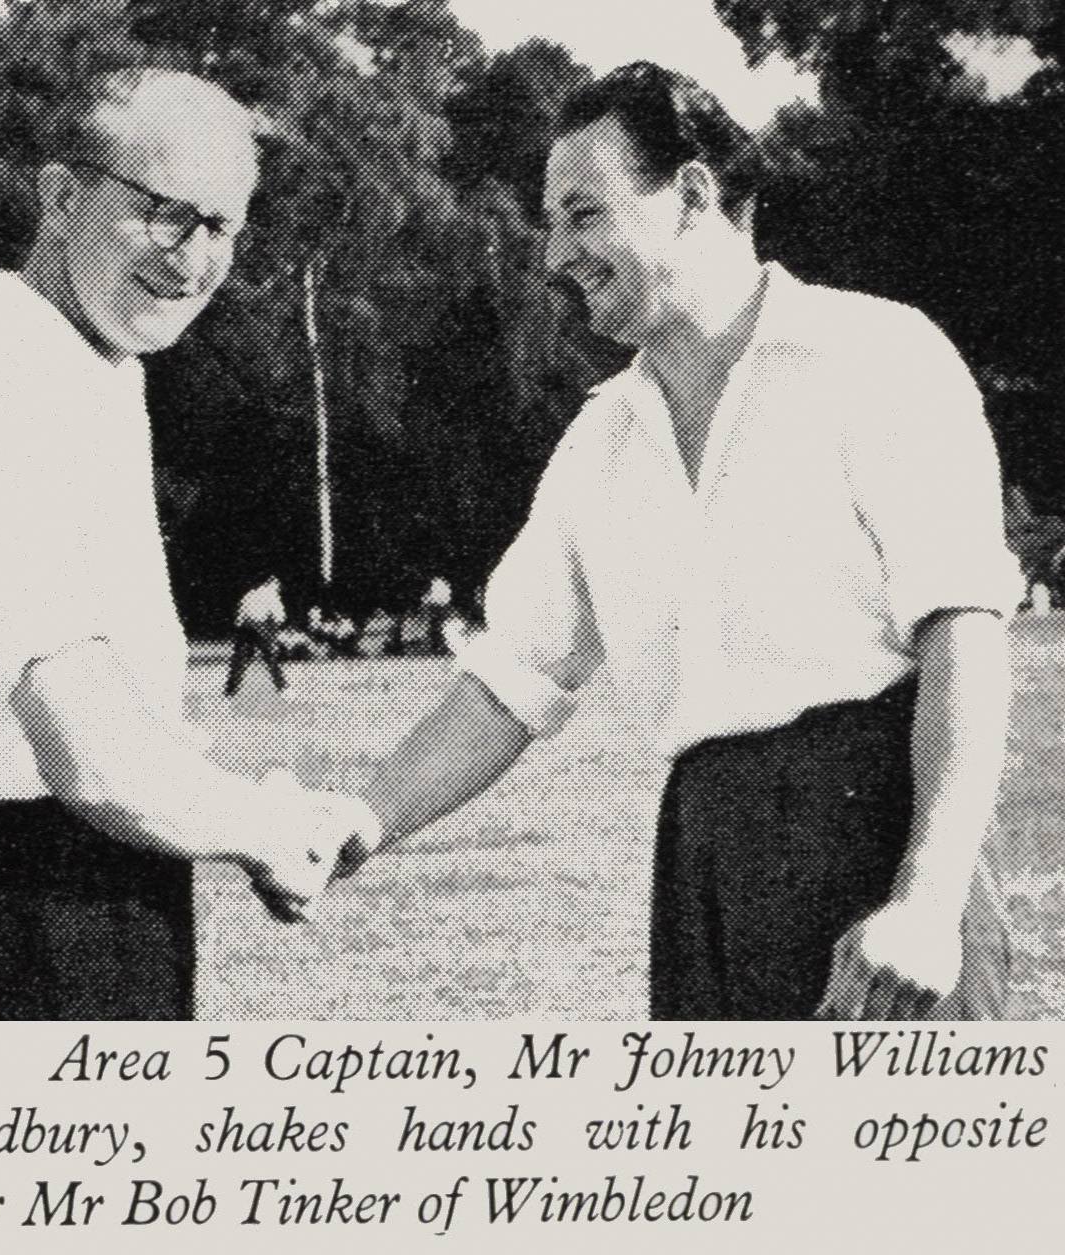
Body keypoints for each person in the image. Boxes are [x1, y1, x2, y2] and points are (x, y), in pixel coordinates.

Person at [341, 63, 1020, 1021]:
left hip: (883, 851)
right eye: (552, 223)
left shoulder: (878, 356)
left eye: (583, 215)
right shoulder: (598, 441)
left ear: (693, 195)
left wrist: (928, 900)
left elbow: (965, 635)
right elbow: (512, 679)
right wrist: (359, 821)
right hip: (702, 863)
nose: (554, 255)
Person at [0, 68, 376, 1021]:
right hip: (9, 925)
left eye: (221, 227)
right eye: (164, 213)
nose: (192, 259)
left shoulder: (85, 373)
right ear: (60, 197)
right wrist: (266, 826)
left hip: (79, 905)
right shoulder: (2, 397)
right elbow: (86, 752)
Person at [225, 575, 288, 695]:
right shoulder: (272, 595)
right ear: (274, 585)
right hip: (260, 626)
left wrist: (239, 628)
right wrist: (274, 633)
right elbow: (279, 617)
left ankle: (230, 688)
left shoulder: (251, 593)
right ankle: (281, 684)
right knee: (269, 656)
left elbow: (240, 613)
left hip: (245, 626)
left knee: (240, 658)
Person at [422, 576, 453, 656]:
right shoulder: (440, 583)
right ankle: (437, 646)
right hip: (438, 607)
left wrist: (426, 602)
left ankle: (438, 646)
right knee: (436, 627)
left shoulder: (438, 583)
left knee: (437, 628)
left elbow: (445, 597)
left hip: (438, 607)